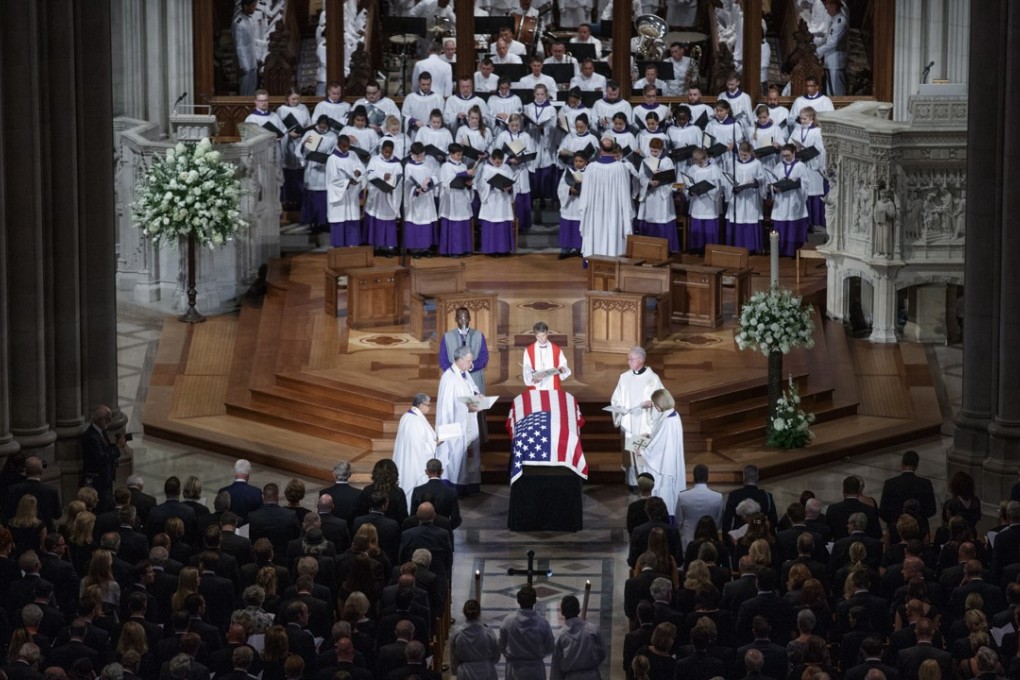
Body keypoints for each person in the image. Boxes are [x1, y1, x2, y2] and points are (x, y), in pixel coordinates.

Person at [611, 347, 665, 489]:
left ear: (641, 360)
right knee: (630, 456)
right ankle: (632, 482)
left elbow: (662, 400)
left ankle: (644, 483)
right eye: (628, 359)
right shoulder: (624, 377)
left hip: (643, 423)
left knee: (640, 455)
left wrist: (652, 403)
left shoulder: (652, 379)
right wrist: (618, 408)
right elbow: (615, 399)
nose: (628, 362)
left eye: (631, 359)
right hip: (628, 423)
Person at [436, 346, 483, 497]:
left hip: (469, 422)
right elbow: (447, 407)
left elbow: (472, 389)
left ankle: (469, 486)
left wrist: (478, 396)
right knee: (457, 457)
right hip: (456, 425)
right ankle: (456, 489)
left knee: (470, 455)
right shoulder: (449, 378)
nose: (471, 364)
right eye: (469, 361)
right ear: (460, 360)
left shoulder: (464, 373)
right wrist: (467, 408)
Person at [634, 389, 686, 521]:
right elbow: (661, 437)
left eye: (655, 403)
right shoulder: (672, 414)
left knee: (664, 493)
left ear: (661, 403)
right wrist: (650, 436)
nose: (655, 406)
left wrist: (642, 450)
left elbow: (659, 448)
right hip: (667, 461)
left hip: (664, 466)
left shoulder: (669, 421)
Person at [578, 137, 634, 259]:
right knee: (614, 233)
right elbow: (625, 195)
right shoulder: (621, 167)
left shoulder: (591, 167)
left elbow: (585, 194)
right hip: (615, 211)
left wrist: (584, 210)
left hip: (595, 212)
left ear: (600, 150)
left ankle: (594, 262)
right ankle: (614, 260)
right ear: (613, 149)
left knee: (595, 234)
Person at [392, 394, 438, 509]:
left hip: (410, 460)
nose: (429, 408)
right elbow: (416, 447)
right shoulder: (414, 420)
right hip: (414, 464)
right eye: (428, 405)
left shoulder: (408, 416)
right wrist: (435, 443)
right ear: (421, 405)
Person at [500, 585, 555, 679]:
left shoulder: (508, 621)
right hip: (536, 670)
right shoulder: (542, 623)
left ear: (518, 601)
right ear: (534, 601)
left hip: (515, 670)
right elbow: (550, 647)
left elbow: (502, 645)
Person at [299, 115, 337, 245]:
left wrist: (328, 160)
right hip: (311, 169)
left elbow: (334, 153)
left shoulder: (332, 136)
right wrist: (303, 145)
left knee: (323, 198)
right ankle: (312, 222)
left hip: (325, 170)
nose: (322, 128)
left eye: (324, 126)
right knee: (312, 196)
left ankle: (323, 222)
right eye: (320, 125)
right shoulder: (310, 134)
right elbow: (301, 152)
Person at [634, 138, 678, 251]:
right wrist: (649, 182)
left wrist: (660, 180)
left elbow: (671, 178)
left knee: (661, 217)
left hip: (661, 195)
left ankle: (665, 248)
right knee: (649, 217)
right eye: (652, 151)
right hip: (649, 194)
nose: (653, 153)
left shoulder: (667, 161)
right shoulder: (646, 161)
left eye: (656, 151)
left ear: (662, 149)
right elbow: (641, 177)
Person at [79, 405, 124, 512]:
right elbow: (101, 458)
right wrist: (117, 448)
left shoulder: (101, 432)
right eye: (107, 418)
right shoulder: (91, 437)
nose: (110, 420)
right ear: (99, 419)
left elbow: (106, 450)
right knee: (100, 507)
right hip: (98, 480)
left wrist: (115, 445)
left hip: (105, 478)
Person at [363, 138, 403, 257]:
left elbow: (399, 180)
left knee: (388, 223)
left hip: (390, 197)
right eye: (385, 152)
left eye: (389, 152)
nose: (387, 154)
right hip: (377, 195)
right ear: (381, 150)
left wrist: (391, 184)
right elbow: (369, 173)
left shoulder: (397, 163)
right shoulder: (375, 160)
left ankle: (389, 248)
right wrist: (381, 175)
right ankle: (376, 246)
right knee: (376, 222)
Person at [550, 595, 605, 680]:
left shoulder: (561, 636)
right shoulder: (592, 630)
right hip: (591, 675)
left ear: (562, 612)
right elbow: (602, 653)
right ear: (579, 610)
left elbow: (556, 665)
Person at [725, 141, 767, 251]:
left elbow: (763, 178)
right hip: (737, 197)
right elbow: (728, 178)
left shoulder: (757, 163)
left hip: (751, 197)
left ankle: (751, 246)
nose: (742, 157)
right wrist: (732, 187)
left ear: (750, 153)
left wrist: (754, 180)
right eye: (740, 154)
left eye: (745, 155)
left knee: (750, 218)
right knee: (737, 218)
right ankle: (737, 247)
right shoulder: (733, 163)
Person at [768, 144, 809, 257]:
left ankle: (794, 251)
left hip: (794, 200)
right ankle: (780, 251)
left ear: (794, 153)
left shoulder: (800, 166)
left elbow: (806, 183)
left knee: (793, 226)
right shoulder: (778, 166)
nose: (786, 158)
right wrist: (774, 188)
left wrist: (799, 181)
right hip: (781, 201)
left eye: (788, 155)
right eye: (784, 156)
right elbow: (772, 182)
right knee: (781, 225)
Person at [325, 134, 365, 247]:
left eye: (348, 146)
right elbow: (332, 180)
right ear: (338, 145)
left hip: (351, 194)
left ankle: (353, 245)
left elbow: (361, 167)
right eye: (343, 146)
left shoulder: (353, 155)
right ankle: (339, 247)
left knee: (351, 219)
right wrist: (348, 182)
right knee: (339, 220)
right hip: (339, 197)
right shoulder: (332, 159)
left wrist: (358, 171)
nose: (346, 149)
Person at [439, 307, 490, 397]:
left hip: (474, 375)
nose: (463, 321)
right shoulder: (447, 337)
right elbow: (442, 360)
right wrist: (456, 370)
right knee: (457, 407)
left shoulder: (478, 335)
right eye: (460, 318)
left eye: (466, 318)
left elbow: (484, 357)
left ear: (469, 318)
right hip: (454, 378)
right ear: (455, 319)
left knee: (475, 407)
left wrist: (471, 366)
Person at [791, 106, 827, 230]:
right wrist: (795, 149)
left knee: (813, 193)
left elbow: (821, 150)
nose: (802, 121)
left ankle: (815, 222)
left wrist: (807, 152)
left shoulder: (817, 131)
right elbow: (790, 144)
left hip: (812, 167)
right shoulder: (797, 130)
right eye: (801, 119)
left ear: (812, 118)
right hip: (800, 165)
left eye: (805, 119)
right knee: (802, 191)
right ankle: (804, 222)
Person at [438, 144, 476, 257]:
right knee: (454, 223)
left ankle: (465, 249)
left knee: (463, 222)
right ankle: (453, 250)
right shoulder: (446, 166)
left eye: (461, 155)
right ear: (451, 154)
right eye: (458, 155)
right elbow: (447, 182)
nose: (460, 157)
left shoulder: (463, 166)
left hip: (462, 197)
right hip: (452, 198)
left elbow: (465, 180)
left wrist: (469, 184)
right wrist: (464, 174)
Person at [476, 148, 516, 257]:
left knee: (503, 223)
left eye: (501, 162)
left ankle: (505, 249)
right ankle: (492, 250)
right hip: (491, 200)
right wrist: (492, 185)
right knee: (492, 223)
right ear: (492, 159)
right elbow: (481, 185)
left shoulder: (507, 168)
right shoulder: (486, 168)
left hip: (503, 201)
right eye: (497, 162)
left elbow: (513, 183)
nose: (499, 164)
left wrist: (509, 188)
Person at [402, 141, 439, 258]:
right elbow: (406, 183)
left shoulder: (428, 164)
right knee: (414, 222)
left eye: (422, 155)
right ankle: (415, 249)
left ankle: (425, 248)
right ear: (412, 154)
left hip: (426, 198)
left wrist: (430, 180)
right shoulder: (408, 166)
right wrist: (415, 190)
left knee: (426, 221)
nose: (420, 158)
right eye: (417, 156)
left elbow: (435, 176)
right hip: (414, 199)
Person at [450, 599, 501, 679]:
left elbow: (454, 659)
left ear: (464, 612)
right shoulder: (488, 632)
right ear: (479, 613)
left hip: (465, 674)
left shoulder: (457, 633)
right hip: (486, 672)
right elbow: (496, 655)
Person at [685, 147, 723, 254]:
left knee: (709, 225)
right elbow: (688, 183)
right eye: (696, 161)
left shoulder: (714, 169)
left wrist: (708, 190)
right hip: (697, 202)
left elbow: (717, 187)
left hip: (709, 203)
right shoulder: (693, 168)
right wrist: (691, 190)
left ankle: (710, 249)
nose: (698, 163)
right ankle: (697, 247)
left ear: (706, 157)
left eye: (700, 161)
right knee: (697, 223)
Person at [522, 321, 571, 390]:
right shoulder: (529, 351)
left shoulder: (556, 349)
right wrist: (535, 380)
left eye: (543, 335)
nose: (541, 339)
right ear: (535, 335)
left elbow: (564, 367)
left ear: (547, 333)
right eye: (538, 336)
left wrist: (562, 369)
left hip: (553, 387)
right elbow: (527, 371)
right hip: (536, 387)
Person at [815, 0, 849, 95]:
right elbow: (827, 38)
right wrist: (815, 44)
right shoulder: (834, 20)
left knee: (836, 92)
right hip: (830, 61)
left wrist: (817, 52)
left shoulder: (840, 22)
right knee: (830, 91)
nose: (826, 9)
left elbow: (832, 43)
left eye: (828, 6)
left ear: (834, 5)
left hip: (836, 63)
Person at [557, 152, 587, 259]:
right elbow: (561, 188)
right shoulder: (568, 171)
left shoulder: (589, 172)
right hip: (570, 204)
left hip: (581, 204)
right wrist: (569, 189)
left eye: (580, 161)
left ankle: (581, 249)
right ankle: (565, 250)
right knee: (567, 226)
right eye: (576, 161)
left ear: (585, 162)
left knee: (581, 227)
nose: (578, 164)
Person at [402, 73, 447, 141]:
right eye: (423, 84)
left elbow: (442, 116)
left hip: (433, 134)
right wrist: (414, 121)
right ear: (419, 83)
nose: (426, 87)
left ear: (431, 83)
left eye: (428, 84)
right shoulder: (410, 98)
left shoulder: (438, 98)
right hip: (415, 132)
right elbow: (404, 115)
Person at [233, 0, 259, 95]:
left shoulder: (249, 19)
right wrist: (244, 66)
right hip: (245, 64)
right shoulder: (239, 23)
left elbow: (252, 41)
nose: (254, 8)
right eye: (252, 6)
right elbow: (239, 46)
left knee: (252, 90)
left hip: (252, 61)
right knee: (245, 91)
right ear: (245, 6)